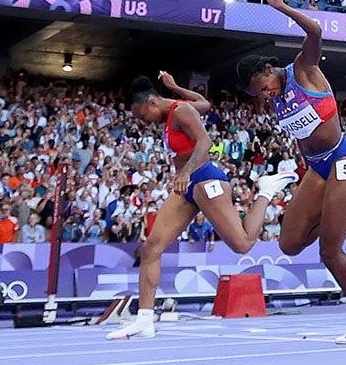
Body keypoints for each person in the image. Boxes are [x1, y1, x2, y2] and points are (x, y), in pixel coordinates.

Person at [237, 0, 346, 344]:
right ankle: (343, 205)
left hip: (344, 159)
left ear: (271, 68)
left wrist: (280, 7)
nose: (267, 94)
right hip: (318, 168)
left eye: (266, 86)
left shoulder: (303, 68)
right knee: (289, 244)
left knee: (330, 250)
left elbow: (315, 31)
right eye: (261, 95)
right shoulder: (273, 97)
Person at [108, 73, 295, 340]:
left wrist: (186, 172)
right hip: (185, 189)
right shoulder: (173, 109)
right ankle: (144, 320)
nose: (143, 122)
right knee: (151, 248)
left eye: (141, 116)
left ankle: (265, 191)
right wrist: (174, 87)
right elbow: (204, 104)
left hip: (204, 178)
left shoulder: (181, 111)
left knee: (241, 244)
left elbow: (205, 142)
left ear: (151, 103)